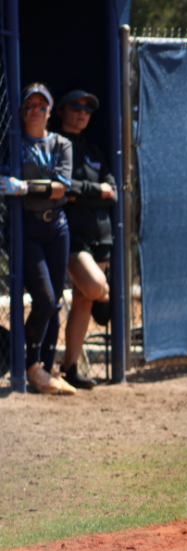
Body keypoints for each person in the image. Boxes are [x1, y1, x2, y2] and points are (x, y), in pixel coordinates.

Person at [1, 84, 76, 394]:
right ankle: (33, 366)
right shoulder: (14, 143)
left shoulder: (61, 144)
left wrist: (26, 187)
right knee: (44, 299)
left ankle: (46, 370)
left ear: (49, 111)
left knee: (55, 302)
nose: (35, 110)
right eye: (29, 105)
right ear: (21, 111)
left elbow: (61, 188)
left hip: (57, 227)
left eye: (41, 105)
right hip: (28, 229)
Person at [55, 89, 117, 390]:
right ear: (62, 111)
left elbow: (113, 190)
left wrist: (85, 193)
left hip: (102, 235)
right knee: (94, 288)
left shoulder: (94, 150)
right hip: (74, 236)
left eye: (88, 109)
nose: (82, 113)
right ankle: (109, 298)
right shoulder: (57, 145)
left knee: (82, 299)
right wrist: (95, 192)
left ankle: (69, 368)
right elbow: (65, 190)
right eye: (76, 107)